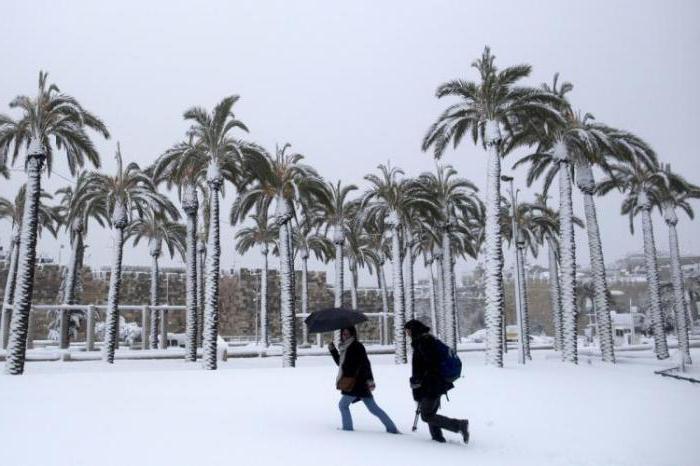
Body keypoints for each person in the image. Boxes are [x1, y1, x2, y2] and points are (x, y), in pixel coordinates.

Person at [404, 319, 469, 444]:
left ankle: (459, 425)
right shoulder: (426, 340)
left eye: (408, 330)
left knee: (426, 415)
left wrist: (418, 379)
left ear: (414, 330)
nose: (407, 333)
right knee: (430, 412)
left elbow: (429, 364)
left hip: (432, 384)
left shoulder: (424, 342)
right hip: (433, 382)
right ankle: (437, 437)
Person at [328, 326, 398, 433]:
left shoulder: (357, 346)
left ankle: (347, 429)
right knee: (373, 408)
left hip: (357, 383)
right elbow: (341, 364)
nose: (345, 336)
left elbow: (366, 364)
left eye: (347, 334)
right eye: (343, 334)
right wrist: (333, 350)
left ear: (352, 334)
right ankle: (392, 429)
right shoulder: (345, 347)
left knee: (343, 405)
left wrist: (370, 380)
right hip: (355, 383)